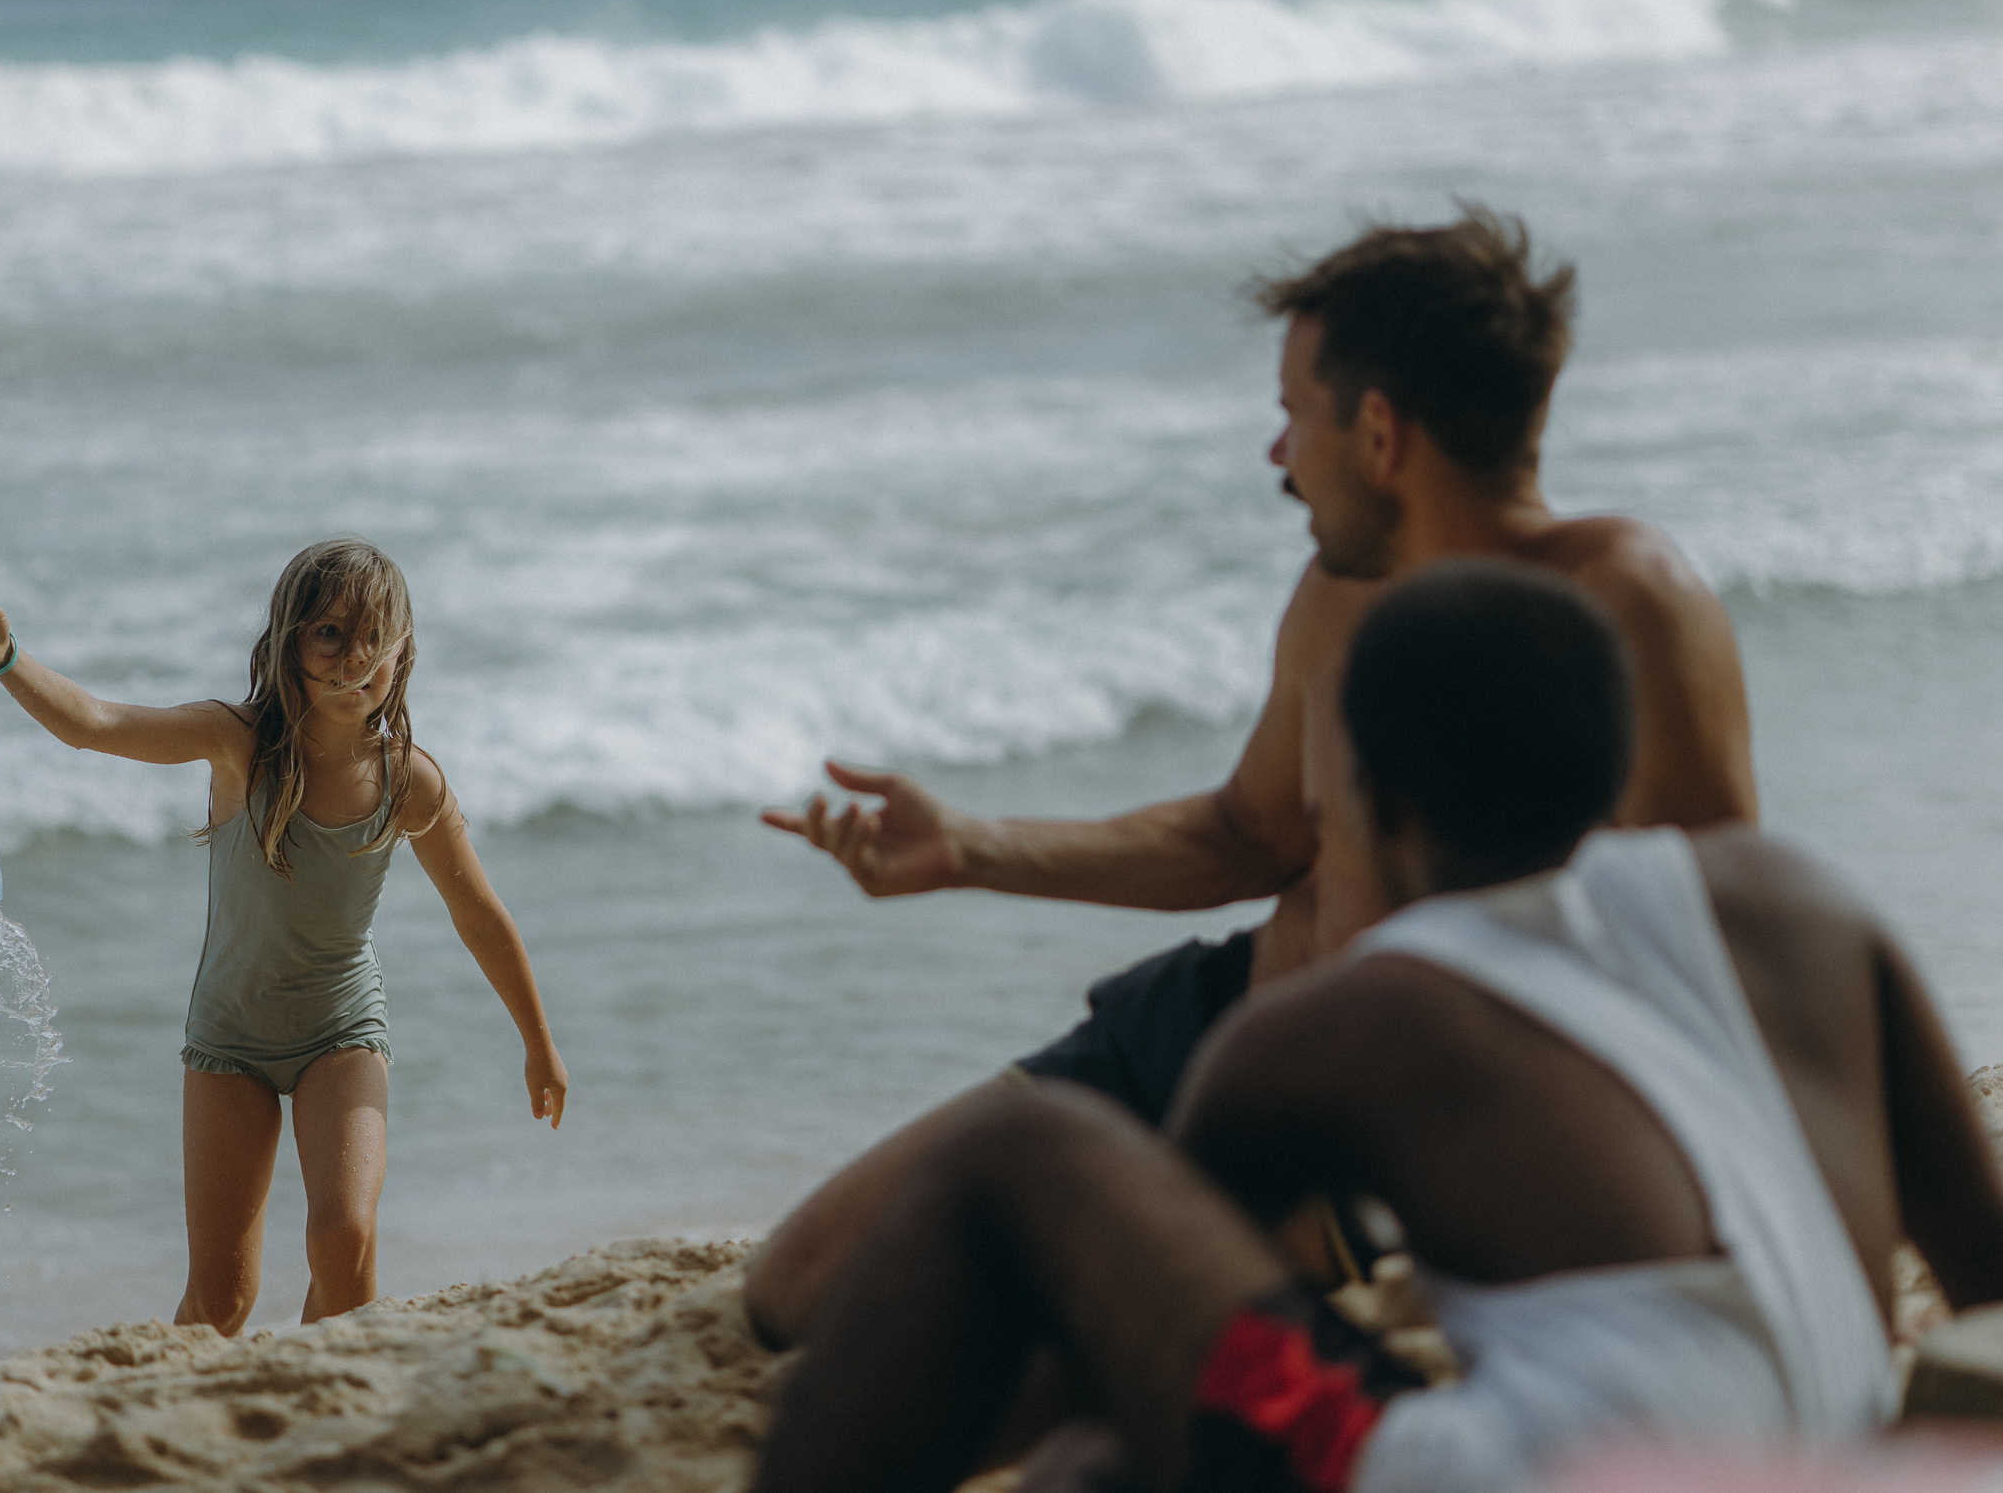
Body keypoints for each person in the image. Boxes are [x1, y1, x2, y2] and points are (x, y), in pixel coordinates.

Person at [756, 563, 2003, 1493]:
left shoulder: (1347, 1022)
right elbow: (1986, 1272)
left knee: (1028, 1156)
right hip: (1818, 1465)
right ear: (1609, 767)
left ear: (1375, 802)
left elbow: (1128, 1344)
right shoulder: (1795, 901)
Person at [746, 208, 1757, 1345]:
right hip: (1223, 1032)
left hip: (1406, 1127)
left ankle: (1306, 1251)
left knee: (1003, 1365)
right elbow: (1248, 838)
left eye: (1290, 415)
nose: (1277, 455)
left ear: (1377, 433)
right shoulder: (1336, 599)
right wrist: (972, 849)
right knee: (806, 1290)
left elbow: (1723, 943)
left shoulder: (1627, 605)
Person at [0, 538, 569, 1330]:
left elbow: (478, 915)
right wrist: (5, 655)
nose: (354, 657)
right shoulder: (238, 742)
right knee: (223, 1299)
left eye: (375, 635)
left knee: (345, 1239)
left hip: (342, 1030)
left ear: (403, 650)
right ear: (288, 640)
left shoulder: (409, 778)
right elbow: (97, 724)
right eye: (330, 633)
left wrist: (537, 1041)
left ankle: (329, 1412)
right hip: (230, 1037)